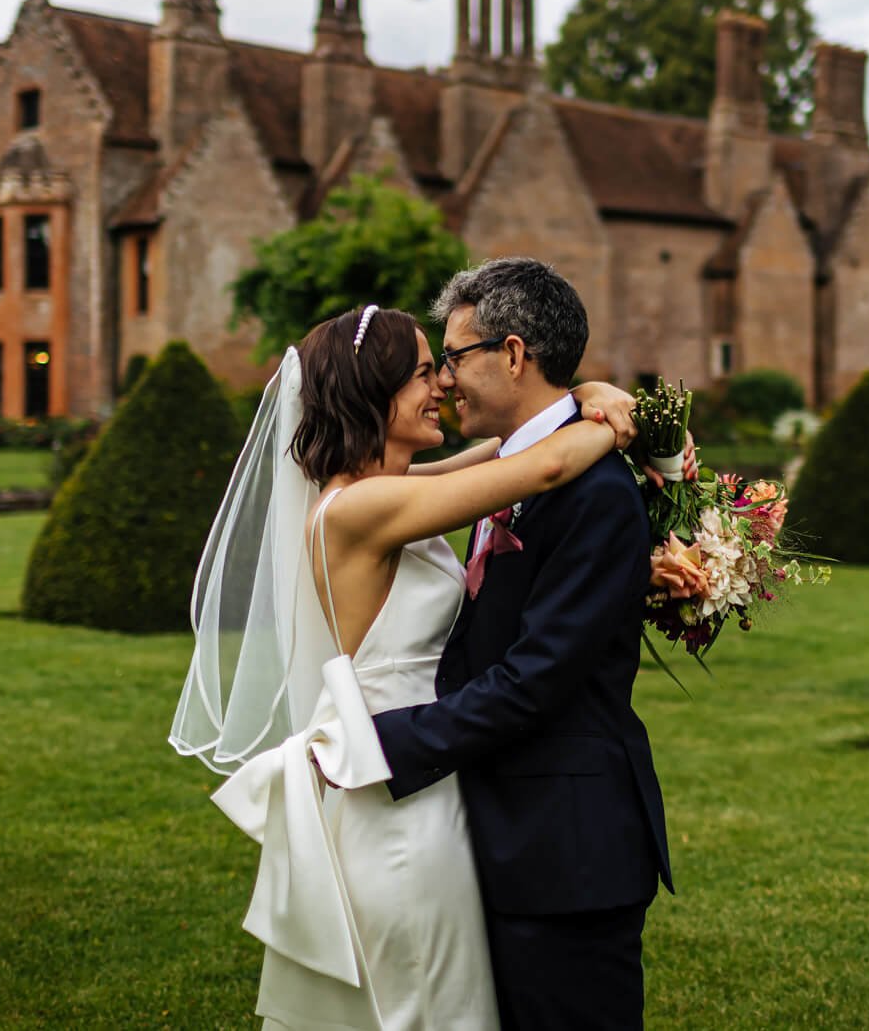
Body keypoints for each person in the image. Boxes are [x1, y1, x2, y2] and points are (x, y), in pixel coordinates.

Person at [172, 299, 640, 1029]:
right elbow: (544, 464)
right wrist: (613, 424)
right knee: (425, 1002)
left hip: (428, 775)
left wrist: (581, 394)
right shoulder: (359, 511)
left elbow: (510, 448)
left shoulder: (385, 492)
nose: (444, 387)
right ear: (375, 393)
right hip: (402, 797)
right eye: (426, 372)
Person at [372, 258, 672, 1030]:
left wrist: (383, 742)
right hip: (508, 835)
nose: (444, 380)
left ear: (511, 354)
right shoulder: (514, 468)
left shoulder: (597, 492)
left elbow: (536, 678)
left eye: (455, 358)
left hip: (568, 850)